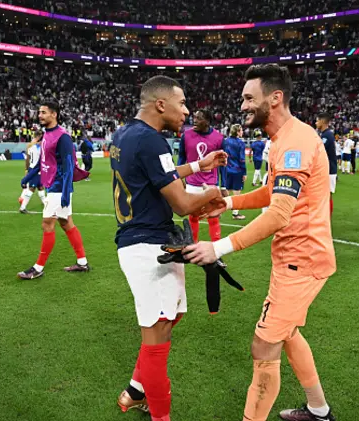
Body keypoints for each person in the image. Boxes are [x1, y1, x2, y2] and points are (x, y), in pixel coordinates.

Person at [184, 64, 337, 421]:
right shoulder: (282, 139)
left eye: (249, 98)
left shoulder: (296, 141)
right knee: (288, 333)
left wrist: (219, 247)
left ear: (276, 97)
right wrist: (231, 201)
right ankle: (318, 410)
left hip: (303, 259)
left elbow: (280, 213)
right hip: (293, 258)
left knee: (264, 344)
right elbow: (274, 192)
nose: (242, 106)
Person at [111, 75, 227, 421]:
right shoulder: (152, 140)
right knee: (158, 336)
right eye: (182, 103)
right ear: (161, 104)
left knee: (171, 317)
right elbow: (180, 203)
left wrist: (196, 167)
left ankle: (135, 389)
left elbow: (156, 175)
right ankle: (159, 414)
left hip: (146, 241)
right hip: (147, 246)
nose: (187, 111)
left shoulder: (128, 134)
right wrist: (213, 194)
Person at [17, 102, 91, 280]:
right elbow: (41, 162)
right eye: (39, 112)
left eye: (43, 112)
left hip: (59, 188)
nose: (40, 115)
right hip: (53, 186)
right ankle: (82, 263)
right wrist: (28, 178)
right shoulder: (46, 135)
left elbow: (68, 167)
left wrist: (65, 193)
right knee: (66, 223)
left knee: (47, 224)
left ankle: (38, 268)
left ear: (54, 114)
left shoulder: (62, 137)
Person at [178, 109, 225, 240]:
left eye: (199, 118)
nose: (194, 120)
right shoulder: (186, 136)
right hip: (192, 183)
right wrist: (179, 178)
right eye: (194, 117)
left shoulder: (219, 138)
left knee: (213, 215)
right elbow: (182, 157)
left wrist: (224, 186)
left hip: (211, 183)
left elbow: (222, 164)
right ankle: (193, 244)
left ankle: (216, 247)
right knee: (193, 215)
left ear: (208, 121)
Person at [223, 124, 248, 220]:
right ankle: (235, 213)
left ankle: (217, 209)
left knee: (226, 191)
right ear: (237, 132)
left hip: (227, 170)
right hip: (237, 170)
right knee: (237, 193)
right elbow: (242, 159)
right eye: (241, 130)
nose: (242, 132)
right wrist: (244, 172)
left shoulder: (226, 141)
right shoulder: (240, 143)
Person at [18, 132, 46, 214]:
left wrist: (27, 169)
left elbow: (27, 159)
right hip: (35, 170)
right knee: (32, 188)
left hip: (34, 169)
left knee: (40, 187)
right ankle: (22, 207)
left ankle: (46, 205)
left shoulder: (31, 147)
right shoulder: (42, 149)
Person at [316, 113, 337, 216]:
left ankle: (326, 217)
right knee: (323, 194)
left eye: (317, 121)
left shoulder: (327, 135)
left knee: (327, 195)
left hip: (329, 170)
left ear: (323, 122)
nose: (316, 123)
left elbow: (319, 151)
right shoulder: (325, 134)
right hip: (326, 169)